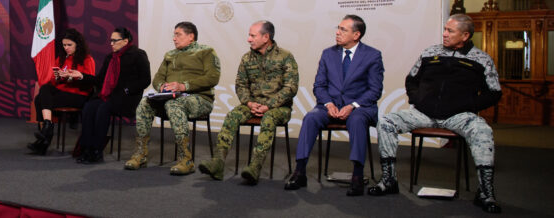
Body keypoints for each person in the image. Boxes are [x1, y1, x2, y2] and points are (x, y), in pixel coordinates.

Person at [368, 14, 503, 214]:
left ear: (465, 35)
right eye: (445, 30)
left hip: (459, 116)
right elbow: (411, 80)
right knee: (386, 122)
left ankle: (485, 192)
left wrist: (470, 105)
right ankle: (389, 180)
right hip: (424, 113)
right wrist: (417, 99)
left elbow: (494, 92)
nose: (444, 34)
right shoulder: (430, 53)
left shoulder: (481, 59)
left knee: (483, 131)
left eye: (450, 31)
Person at [284, 15, 384, 195]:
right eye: (338, 28)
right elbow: (319, 86)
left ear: (356, 35)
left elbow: (374, 90)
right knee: (311, 118)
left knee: (357, 120)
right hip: (330, 106)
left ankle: (357, 175)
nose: (337, 33)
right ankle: (300, 171)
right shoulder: (328, 54)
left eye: (343, 30)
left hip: (359, 107)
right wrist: (328, 103)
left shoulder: (372, 56)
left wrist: (353, 105)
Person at [198, 20, 298, 185]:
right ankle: (218, 163)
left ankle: (255, 166)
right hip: (253, 104)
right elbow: (241, 85)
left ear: (266, 37)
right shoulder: (247, 58)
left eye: (253, 35)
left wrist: (269, 105)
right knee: (232, 116)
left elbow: (290, 87)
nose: (248, 39)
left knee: (269, 118)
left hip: (279, 108)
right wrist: (250, 103)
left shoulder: (285, 56)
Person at [124, 21, 221, 175]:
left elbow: (212, 77)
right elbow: (157, 79)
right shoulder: (170, 55)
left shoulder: (206, 52)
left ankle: (186, 159)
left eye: (178, 35)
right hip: (171, 98)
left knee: (174, 105)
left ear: (191, 36)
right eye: (174, 35)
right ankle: (140, 154)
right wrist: (162, 87)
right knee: (144, 103)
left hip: (200, 99)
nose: (174, 38)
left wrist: (183, 86)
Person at [76, 27, 151, 164]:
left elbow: (145, 79)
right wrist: (81, 76)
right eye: (110, 40)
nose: (111, 43)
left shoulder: (138, 54)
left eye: (114, 41)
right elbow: (99, 80)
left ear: (125, 41)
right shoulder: (110, 57)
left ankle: (97, 151)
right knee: (89, 107)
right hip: (109, 96)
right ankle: (86, 148)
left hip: (127, 98)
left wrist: (128, 90)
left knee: (103, 108)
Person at [27, 28, 96, 155]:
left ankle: (45, 136)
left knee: (40, 100)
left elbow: (90, 81)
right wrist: (58, 77)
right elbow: (54, 82)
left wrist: (74, 76)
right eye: (64, 45)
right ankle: (47, 126)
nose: (66, 48)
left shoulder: (87, 59)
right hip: (62, 91)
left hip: (78, 95)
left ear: (77, 44)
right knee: (45, 89)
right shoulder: (62, 58)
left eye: (69, 45)